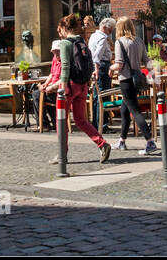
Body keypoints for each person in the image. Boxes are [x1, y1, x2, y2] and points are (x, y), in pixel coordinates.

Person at [39, 15, 110, 163]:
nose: (60, 34)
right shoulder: (81, 41)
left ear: (65, 28)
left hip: (70, 87)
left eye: (60, 30)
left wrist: (62, 87)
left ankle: (61, 154)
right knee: (80, 120)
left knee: (61, 120)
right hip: (82, 85)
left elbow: (65, 66)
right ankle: (102, 144)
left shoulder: (65, 43)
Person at [110, 16, 157, 155]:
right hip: (136, 80)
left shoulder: (120, 42)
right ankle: (122, 141)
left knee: (135, 111)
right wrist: (154, 76)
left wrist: (110, 68)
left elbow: (119, 64)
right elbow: (147, 60)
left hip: (125, 80)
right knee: (125, 109)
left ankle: (150, 141)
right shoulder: (138, 41)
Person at [90, 18, 116, 128]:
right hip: (102, 67)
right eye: (110, 31)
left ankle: (96, 123)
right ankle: (102, 125)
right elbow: (97, 56)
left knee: (97, 96)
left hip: (97, 67)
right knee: (104, 96)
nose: (110, 33)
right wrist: (97, 68)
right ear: (104, 27)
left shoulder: (93, 36)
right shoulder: (102, 38)